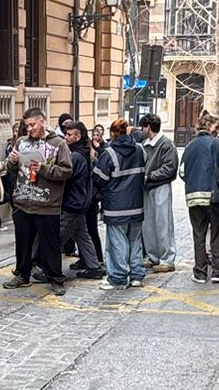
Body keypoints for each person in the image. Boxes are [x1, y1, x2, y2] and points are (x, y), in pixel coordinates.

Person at [4, 109, 71, 292]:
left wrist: (43, 169)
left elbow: (66, 171)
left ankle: (56, 278)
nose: (29, 129)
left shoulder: (59, 144)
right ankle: (22, 275)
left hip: (47, 203)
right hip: (23, 201)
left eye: (32, 125)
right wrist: (13, 161)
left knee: (50, 244)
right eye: (27, 126)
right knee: (23, 242)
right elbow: (11, 169)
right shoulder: (21, 142)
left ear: (42, 122)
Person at [94, 118, 148, 289]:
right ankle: (137, 275)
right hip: (137, 204)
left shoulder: (109, 153)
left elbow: (99, 178)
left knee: (117, 243)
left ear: (112, 133)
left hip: (116, 206)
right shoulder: (139, 149)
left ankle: (117, 277)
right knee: (135, 241)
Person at [181, 115, 219, 282]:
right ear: (212, 128)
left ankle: (200, 273)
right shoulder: (218, 144)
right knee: (218, 234)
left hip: (193, 197)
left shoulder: (189, 146)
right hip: (214, 196)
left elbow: (182, 172)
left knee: (199, 235)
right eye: (217, 129)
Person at [139, 113, 180, 273]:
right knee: (148, 224)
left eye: (143, 126)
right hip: (147, 186)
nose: (141, 129)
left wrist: (149, 176)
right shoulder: (144, 144)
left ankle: (167, 258)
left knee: (163, 223)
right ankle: (152, 256)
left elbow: (170, 168)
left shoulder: (166, 144)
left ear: (148, 127)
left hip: (160, 186)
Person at [62, 121, 103, 278]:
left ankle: (49, 269)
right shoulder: (83, 152)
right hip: (80, 202)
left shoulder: (76, 156)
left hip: (73, 203)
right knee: (82, 235)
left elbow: (66, 177)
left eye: (69, 134)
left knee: (56, 237)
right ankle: (94, 267)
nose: (66, 137)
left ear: (78, 136)